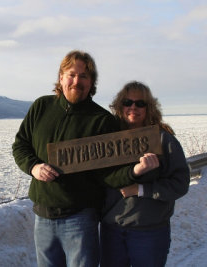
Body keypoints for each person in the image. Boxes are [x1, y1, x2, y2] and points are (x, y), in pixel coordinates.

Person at [12, 51, 153, 267]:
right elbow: (21, 145)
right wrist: (33, 167)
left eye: (84, 76)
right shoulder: (41, 106)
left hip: (80, 218)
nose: (76, 81)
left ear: (92, 82)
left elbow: (110, 174)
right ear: (61, 78)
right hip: (43, 215)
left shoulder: (101, 121)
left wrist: (134, 171)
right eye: (71, 74)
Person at [100, 81, 190, 267]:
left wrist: (141, 189)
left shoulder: (163, 140)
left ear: (150, 108)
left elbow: (180, 183)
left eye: (140, 103)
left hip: (149, 233)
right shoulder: (108, 140)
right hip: (112, 230)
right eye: (128, 102)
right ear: (119, 106)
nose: (133, 107)